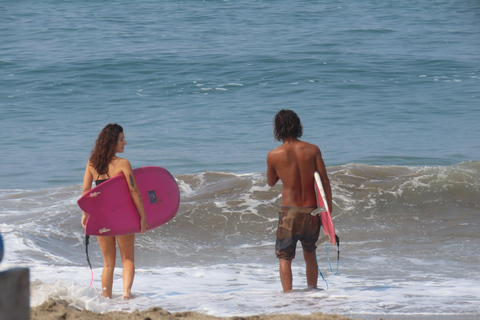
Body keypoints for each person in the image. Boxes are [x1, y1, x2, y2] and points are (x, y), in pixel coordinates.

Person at [266, 109, 333, 292]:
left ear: (278, 129)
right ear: (298, 125)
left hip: (289, 212)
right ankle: (312, 292)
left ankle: (288, 297)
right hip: (312, 211)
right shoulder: (313, 150)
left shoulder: (274, 155)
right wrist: (328, 209)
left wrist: (284, 171)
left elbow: (271, 182)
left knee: (285, 257)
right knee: (310, 254)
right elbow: (325, 181)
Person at [81, 123, 148, 299]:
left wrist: (86, 214)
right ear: (112, 142)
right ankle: (126, 294)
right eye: (121, 139)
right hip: (122, 216)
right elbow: (134, 191)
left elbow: (86, 191)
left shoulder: (92, 163)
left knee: (108, 263)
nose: (124, 143)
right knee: (128, 258)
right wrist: (142, 217)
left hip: (102, 217)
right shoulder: (123, 163)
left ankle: (106, 299)